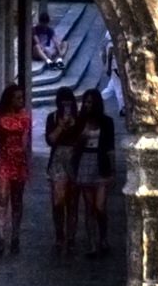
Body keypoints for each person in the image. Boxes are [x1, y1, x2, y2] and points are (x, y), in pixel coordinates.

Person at [0, 81, 31, 257]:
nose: (21, 101)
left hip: (18, 159)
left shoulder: (25, 116)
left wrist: (26, 161)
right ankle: (1, 237)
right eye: (17, 98)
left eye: (22, 98)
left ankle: (15, 236)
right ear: (10, 99)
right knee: (2, 198)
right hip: (4, 158)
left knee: (17, 200)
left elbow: (26, 140)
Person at [73, 85, 116, 257]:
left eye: (90, 102)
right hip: (86, 161)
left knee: (100, 206)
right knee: (89, 206)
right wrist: (82, 136)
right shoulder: (80, 122)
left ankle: (103, 237)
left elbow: (110, 147)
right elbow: (76, 147)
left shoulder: (107, 123)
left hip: (101, 163)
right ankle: (92, 243)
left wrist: (113, 171)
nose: (87, 105)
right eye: (86, 102)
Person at [44, 93, 78, 256]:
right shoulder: (52, 118)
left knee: (72, 201)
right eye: (63, 104)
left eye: (69, 103)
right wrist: (61, 126)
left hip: (74, 160)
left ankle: (71, 236)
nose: (66, 107)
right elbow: (50, 140)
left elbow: (82, 140)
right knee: (58, 201)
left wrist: (74, 125)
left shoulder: (79, 119)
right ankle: (59, 234)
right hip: (58, 159)